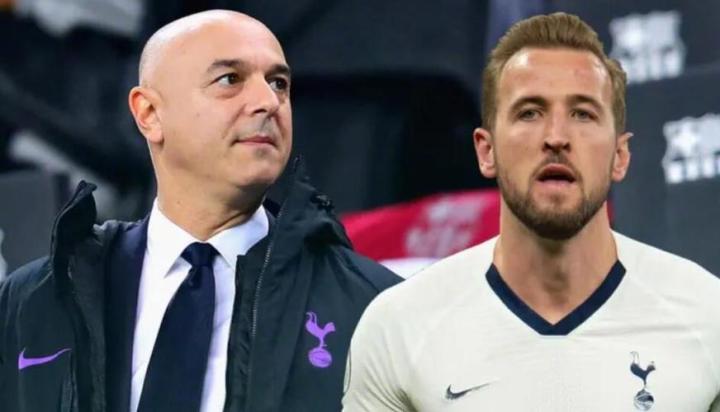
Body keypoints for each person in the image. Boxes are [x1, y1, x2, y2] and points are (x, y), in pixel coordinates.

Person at [0, 10, 400, 412]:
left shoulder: (374, 305)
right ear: (149, 114)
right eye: (230, 79)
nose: (268, 102)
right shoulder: (31, 302)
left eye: (278, 83)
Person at [343, 12, 720, 412]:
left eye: (583, 114)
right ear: (486, 151)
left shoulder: (707, 316)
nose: (556, 137)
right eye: (529, 113)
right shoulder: (399, 329)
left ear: (620, 155)